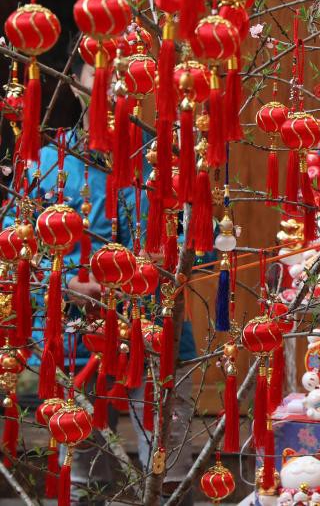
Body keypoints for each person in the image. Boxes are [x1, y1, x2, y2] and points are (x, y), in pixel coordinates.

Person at [8, 60, 198, 506]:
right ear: (75, 84)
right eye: (98, 74)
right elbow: (16, 243)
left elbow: (204, 242)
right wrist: (64, 283)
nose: (111, 85)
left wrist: (165, 261)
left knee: (167, 472)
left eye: (121, 73)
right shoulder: (45, 162)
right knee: (82, 474)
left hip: (156, 330)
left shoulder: (167, 158)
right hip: (76, 333)